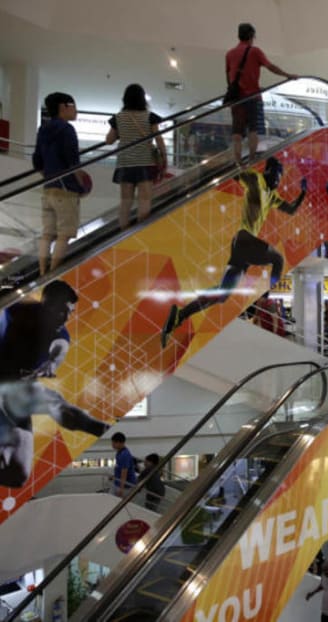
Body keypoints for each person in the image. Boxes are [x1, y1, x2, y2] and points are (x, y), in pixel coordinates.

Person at [161, 157, 307, 347]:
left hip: (241, 248)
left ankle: (180, 315)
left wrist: (303, 192)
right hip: (244, 239)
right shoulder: (256, 179)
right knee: (278, 259)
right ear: (270, 171)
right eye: (278, 175)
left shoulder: (272, 195)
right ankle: (264, 297)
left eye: (281, 177)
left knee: (222, 295)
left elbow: (292, 209)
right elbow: (235, 172)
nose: (279, 181)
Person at [0, 280, 108, 487]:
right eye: (63, 311)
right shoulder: (21, 310)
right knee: (51, 401)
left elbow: (59, 350)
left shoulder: (60, 334)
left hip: (18, 391)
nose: (67, 318)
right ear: (47, 303)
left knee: (18, 475)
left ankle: (93, 425)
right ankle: (94, 426)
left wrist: (51, 363)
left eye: (71, 312)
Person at [32, 92, 87, 275]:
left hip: (48, 189)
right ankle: (52, 273)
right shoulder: (67, 130)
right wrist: (80, 186)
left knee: (47, 233)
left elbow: (37, 162)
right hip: (66, 189)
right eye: (73, 105)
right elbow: (73, 163)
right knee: (65, 234)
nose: (76, 110)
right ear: (64, 107)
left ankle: (41, 271)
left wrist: (50, 177)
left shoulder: (43, 129)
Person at [226, 23, 297, 163]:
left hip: (237, 99)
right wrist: (287, 75)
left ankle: (238, 163)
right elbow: (270, 67)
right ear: (252, 36)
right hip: (253, 97)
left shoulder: (230, 54)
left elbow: (229, 76)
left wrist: (233, 92)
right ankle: (252, 159)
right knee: (253, 130)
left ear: (238, 36)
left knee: (237, 132)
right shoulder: (255, 51)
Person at [105, 83, 167, 230]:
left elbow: (109, 140)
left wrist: (124, 133)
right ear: (142, 99)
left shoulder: (118, 118)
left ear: (125, 99)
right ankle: (140, 233)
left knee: (126, 202)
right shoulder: (150, 117)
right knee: (144, 200)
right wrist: (164, 159)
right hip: (145, 163)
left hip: (125, 164)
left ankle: (123, 234)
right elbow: (159, 139)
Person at [110, 432, 137, 498]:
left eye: (114, 443)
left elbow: (124, 472)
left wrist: (121, 488)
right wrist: (114, 476)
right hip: (117, 482)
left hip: (125, 486)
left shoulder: (124, 455)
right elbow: (119, 467)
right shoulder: (119, 452)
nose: (112, 445)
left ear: (120, 443)